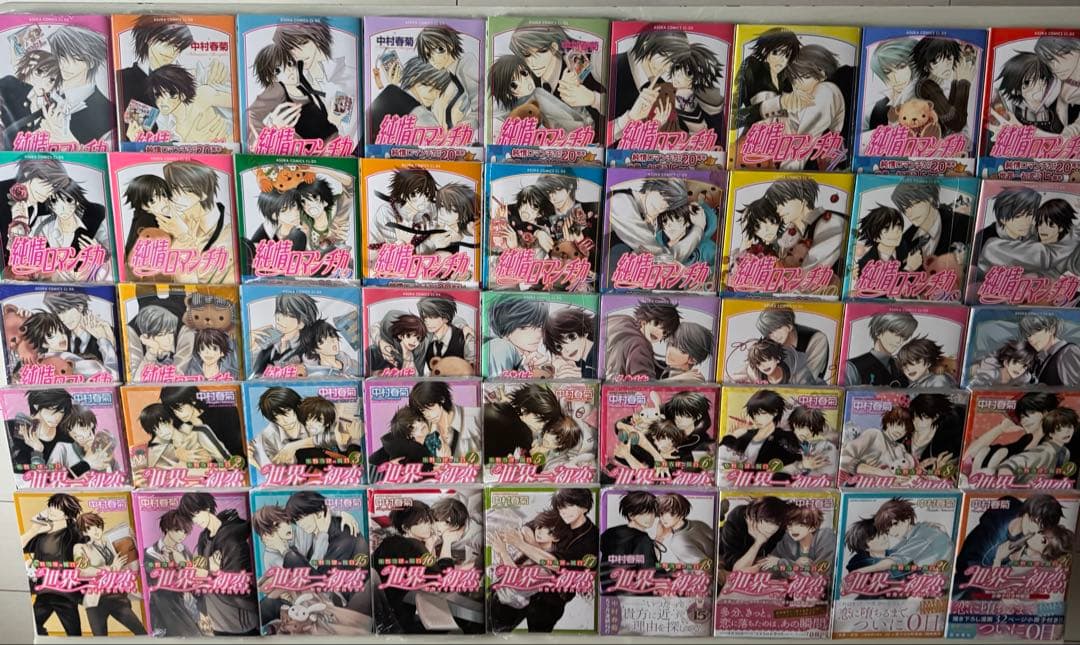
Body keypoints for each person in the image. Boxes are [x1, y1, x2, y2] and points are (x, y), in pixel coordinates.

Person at [176, 492, 259, 636]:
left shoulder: (232, 539)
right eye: (191, 517)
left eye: (196, 513)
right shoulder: (204, 538)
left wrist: (208, 573)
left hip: (238, 623)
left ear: (207, 508)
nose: (195, 520)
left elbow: (237, 587)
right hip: (216, 622)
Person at [954, 494, 1063, 599]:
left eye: (1042, 527)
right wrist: (998, 561)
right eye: (1036, 521)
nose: (1036, 529)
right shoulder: (998, 534)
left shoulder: (1028, 536)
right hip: (972, 565)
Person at [73, 512, 146, 636]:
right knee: (101, 639)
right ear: (84, 532)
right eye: (89, 528)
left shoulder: (108, 541)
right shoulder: (81, 548)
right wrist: (110, 568)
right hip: (96, 601)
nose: (95, 530)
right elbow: (82, 571)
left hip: (117, 597)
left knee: (141, 633)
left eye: (97, 526)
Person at [21, 493, 83, 636]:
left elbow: (86, 543)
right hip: (44, 592)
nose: (52, 510)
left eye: (57, 508)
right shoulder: (42, 535)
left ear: (67, 514)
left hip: (65, 593)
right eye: (51, 506)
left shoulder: (73, 533)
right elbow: (20, 546)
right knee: (33, 626)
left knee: (75, 634)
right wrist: (34, 530)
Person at [141, 510, 200, 636]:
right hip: (164, 606)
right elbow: (155, 582)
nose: (182, 535)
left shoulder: (184, 551)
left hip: (186, 605)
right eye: (179, 530)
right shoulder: (150, 553)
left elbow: (194, 579)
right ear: (167, 528)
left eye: (185, 532)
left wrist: (181, 564)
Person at [718, 389, 801, 479]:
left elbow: (794, 465)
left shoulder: (785, 437)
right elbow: (721, 457)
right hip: (739, 481)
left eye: (762, 413)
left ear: (775, 412)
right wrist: (733, 435)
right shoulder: (746, 435)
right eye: (754, 414)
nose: (757, 418)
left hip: (765, 482)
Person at [911, 37, 974, 137]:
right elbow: (956, 123)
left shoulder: (935, 83)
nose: (945, 65)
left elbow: (952, 111)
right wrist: (964, 83)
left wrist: (956, 80)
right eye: (935, 62)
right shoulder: (926, 86)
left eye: (948, 58)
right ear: (925, 67)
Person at [604, 298, 680, 380]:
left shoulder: (624, 324)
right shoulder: (639, 345)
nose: (659, 332)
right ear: (644, 321)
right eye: (656, 323)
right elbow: (645, 381)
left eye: (664, 332)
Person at [599, 491, 659, 590]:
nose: (650, 517)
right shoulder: (643, 540)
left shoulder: (610, 532)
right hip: (634, 592)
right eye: (644, 513)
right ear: (631, 514)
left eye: (652, 512)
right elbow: (650, 572)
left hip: (608, 589)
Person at [250, 292, 319, 376]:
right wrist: (250, 348)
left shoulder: (308, 351)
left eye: (287, 315)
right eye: (279, 312)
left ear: (301, 323)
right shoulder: (269, 347)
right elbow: (254, 373)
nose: (279, 318)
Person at [755, 306, 830, 381]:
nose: (774, 335)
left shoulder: (816, 339)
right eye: (770, 332)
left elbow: (807, 379)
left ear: (789, 326)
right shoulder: (770, 343)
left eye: (777, 328)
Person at [840, 406, 917, 479]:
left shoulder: (899, 447)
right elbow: (843, 458)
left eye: (905, 429)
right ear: (888, 422)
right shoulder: (874, 434)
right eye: (898, 424)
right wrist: (880, 472)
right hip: (861, 483)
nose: (900, 431)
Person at [718, 496, 789, 574]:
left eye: (777, 524)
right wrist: (758, 542)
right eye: (767, 521)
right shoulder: (737, 520)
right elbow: (737, 569)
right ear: (754, 517)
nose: (772, 528)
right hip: (719, 542)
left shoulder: (779, 530)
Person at [843, 312, 918, 386]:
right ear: (878, 332)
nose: (899, 341)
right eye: (894, 333)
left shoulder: (902, 366)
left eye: (903, 336)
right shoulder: (852, 367)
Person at [8, 389, 73, 469]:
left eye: (61, 411)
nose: (57, 417)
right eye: (51, 409)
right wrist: (37, 451)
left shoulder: (66, 436)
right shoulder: (12, 428)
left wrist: (38, 451)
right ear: (36, 405)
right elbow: (19, 469)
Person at [484, 298, 548, 377]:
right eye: (524, 327)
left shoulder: (519, 356)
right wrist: (536, 375)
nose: (539, 334)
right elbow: (498, 383)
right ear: (506, 330)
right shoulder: (501, 346)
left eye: (539, 326)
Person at [865, 38, 917, 131]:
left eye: (901, 67)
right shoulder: (880, 108)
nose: (896, 78)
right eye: (887, 72)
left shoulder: (927, 94)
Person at [418, 297, 475, 374]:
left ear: (445, 318)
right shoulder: (427, 340)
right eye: (425, 318)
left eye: (432, 317)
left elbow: (472, 367)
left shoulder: (464, 337)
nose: (427, 322)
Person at [1020, 312, 1080, 386]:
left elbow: (1075, 389)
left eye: (1035, 332)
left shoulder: (1068, 352)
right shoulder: (1040, 357)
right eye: (1028, 335)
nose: (1031, 339)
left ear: (1052, 330)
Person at [772, 505, 835, 572]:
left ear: (812, 528)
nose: (793, 529)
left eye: (801, 525)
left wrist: (784, 563)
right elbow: (770, 561)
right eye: (790, 525)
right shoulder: (787, 540)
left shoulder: (825, 536)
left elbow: (821, 572)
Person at [655, 493, 714, 565]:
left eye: (668, 512)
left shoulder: (677, 542)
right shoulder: (698, 523)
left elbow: (705, 566)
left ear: (680, 513)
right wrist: (659, 537)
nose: (662, 518)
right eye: (661, 513)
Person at [542, 307, 596, 379]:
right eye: (559, 347)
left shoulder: (597, 355)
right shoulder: (581, 363)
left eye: (571, 337)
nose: (567, 349)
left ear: (585, 331)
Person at [967, 339, 1037, 387]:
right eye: (1016, 362)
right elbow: (971, 383)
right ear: (1006, 362)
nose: (1019, 369)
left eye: (1024, 366)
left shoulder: (1024, 377)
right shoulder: (990, 372)